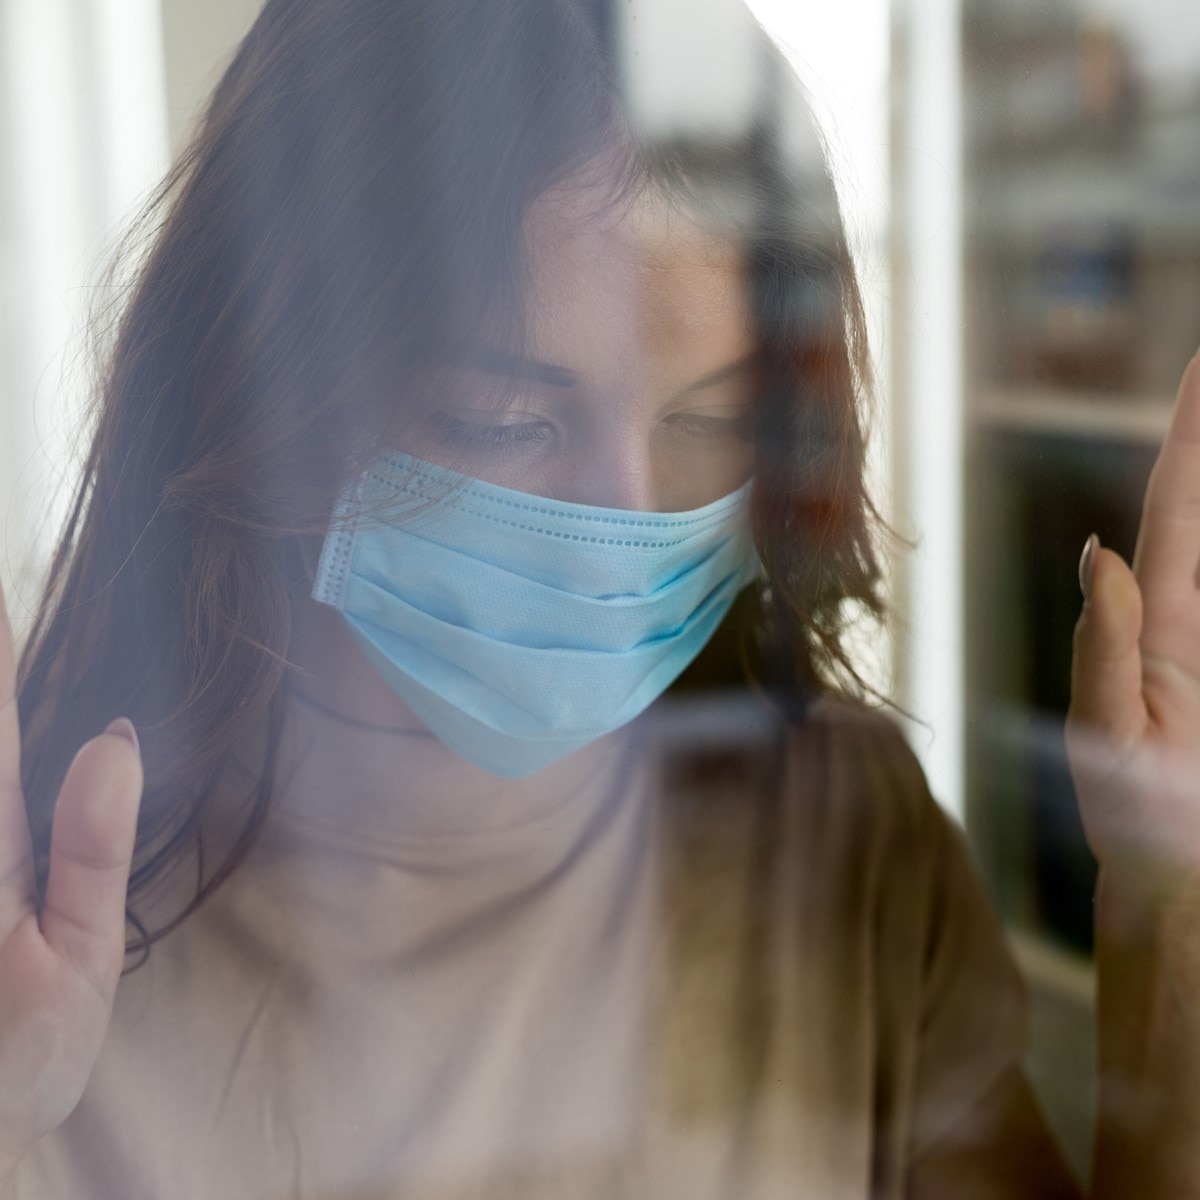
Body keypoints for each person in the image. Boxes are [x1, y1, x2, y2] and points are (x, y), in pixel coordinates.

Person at [1, 0, 1199, 1195]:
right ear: (256, 398)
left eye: (714, 421)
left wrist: (1169, 930)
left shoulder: (842, 837)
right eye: (503, 420)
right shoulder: (44, 922)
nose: (629, 514)